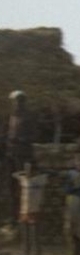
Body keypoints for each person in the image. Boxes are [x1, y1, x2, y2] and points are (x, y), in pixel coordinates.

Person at [4, 90, 37, 227]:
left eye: (18, 101)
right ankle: (12, 217)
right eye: (14, 102)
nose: (16, 104)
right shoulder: (13, 117)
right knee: (10, 186)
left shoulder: (29, 117)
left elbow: (33, 136)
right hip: (11, 154)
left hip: (23, 155)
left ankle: (22, 219)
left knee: (22, 187)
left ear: (22, 102)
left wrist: (20, 139)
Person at [13, 159, 48, 255]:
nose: (28, 171)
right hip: (24, 211)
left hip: (35, 211)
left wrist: (36, 170)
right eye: (26, 168)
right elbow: (14, 174)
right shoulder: (23, 179)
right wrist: (23, 171)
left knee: (35, 241)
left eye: (29, 168)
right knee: (25, 241)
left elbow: (48, 174)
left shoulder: (40, 180)